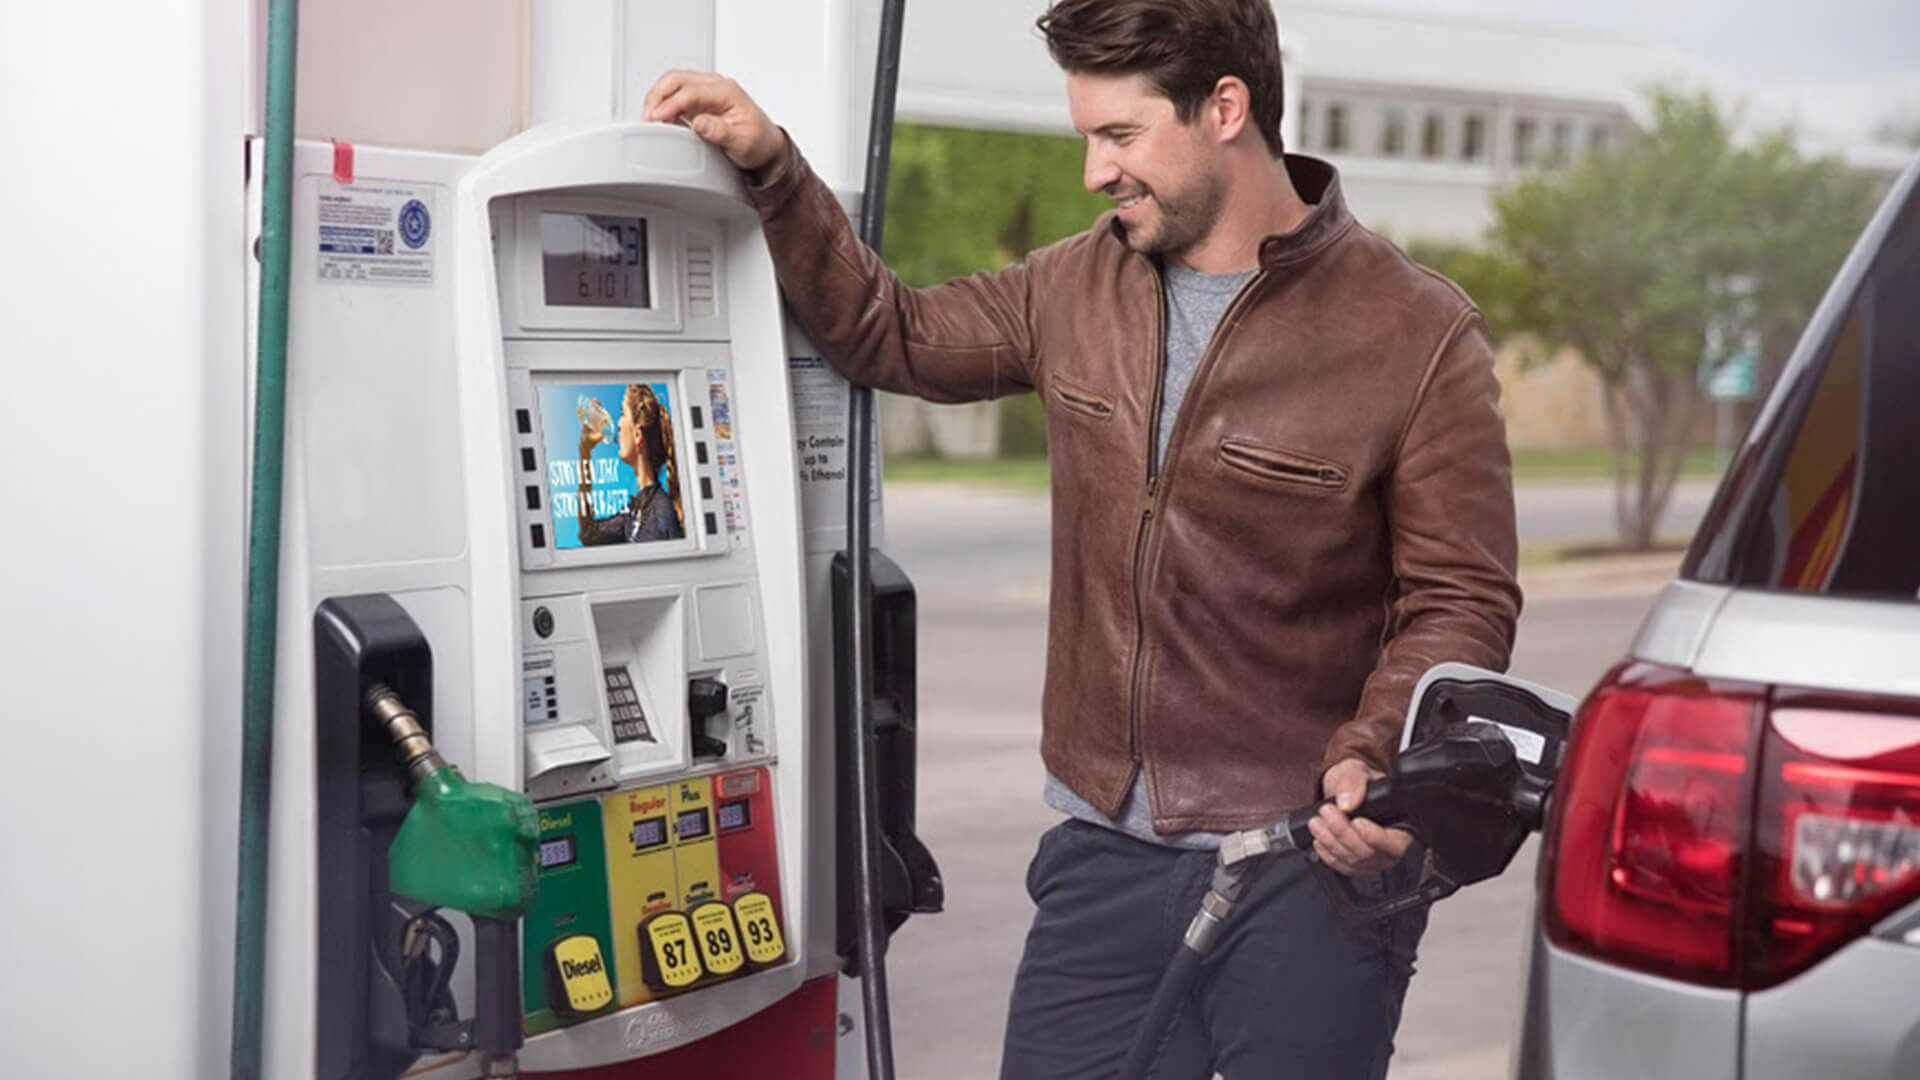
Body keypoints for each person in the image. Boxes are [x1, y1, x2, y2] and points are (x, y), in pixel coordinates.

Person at [645, 0, 1520, 1074]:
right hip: (1102, 864)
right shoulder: (1072, 285)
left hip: (1309, 878)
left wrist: (1377, 756)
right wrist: (776, 171)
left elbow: (1460, 600)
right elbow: (893, 332)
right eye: (1087, 140)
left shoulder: (1417, 334)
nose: (1095, 174)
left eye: (1119, 136)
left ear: (1225, 110)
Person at [577, 383, 686, 544]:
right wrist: (584, 452)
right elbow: (588, 533)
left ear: (637, 435)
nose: (618, 424)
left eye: (622, 413)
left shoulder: (662, 512)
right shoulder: (634, 512)